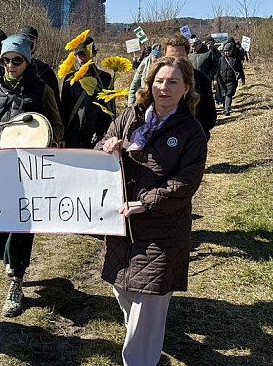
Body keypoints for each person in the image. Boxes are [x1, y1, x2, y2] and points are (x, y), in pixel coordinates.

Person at [95, 56, 208, 366]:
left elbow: (185, 183)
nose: (164, 87)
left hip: (163, 232)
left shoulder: (191, 132)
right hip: (124, 229)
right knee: (124, 291)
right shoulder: (130, 117)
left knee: (148, 305)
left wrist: (145, 202)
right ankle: (146, 343)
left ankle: (141, 359)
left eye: (173, 81)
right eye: (159, 80)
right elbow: (100, 147)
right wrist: (107, 147)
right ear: (150, 83)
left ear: (186, 88)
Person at [0, 33, 63, 317]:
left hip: (29, 170)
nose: (11, 65)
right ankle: (10, 263)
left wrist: (40, 135)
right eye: (6, 60)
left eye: (17, 60)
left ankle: (16, 280)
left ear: (27, 61)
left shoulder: (41, 90)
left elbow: (57, 127)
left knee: (22, 224)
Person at [60, 35, 114, 149]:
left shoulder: (105, 78)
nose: (82, 58)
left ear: (93, 53)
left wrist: (106, 136)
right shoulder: (70, 79)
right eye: (79, 54)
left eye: (85, 53)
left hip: (97, 137)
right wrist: (62, 137)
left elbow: (109, 112)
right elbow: (64, 110)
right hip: (72, 137)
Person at [19, 25, 60, 107]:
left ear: (36, 43)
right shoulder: (9, 69)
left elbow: (55, 104)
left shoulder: (46, 71)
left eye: (31, 39)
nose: (28, 42)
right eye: (24, 38)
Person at [216, 42, 246, 115]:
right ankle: (225, 107)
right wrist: (215, 79)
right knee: (223, 94)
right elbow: (216, 69)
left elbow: (240, 69)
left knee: (229, 94)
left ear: (231, 50)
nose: (227, 52)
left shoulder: (235, 59)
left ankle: (227, 109)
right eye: (225, 51)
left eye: (228, 51)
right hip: (221, 80)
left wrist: (243, 78)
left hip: (231, 80)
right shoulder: (220, 59)